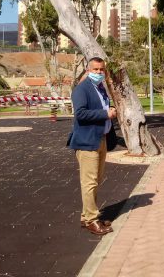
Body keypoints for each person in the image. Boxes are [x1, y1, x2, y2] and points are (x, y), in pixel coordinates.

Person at [68, 56, 117, 236]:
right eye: (95, 69)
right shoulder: (82, 89)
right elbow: (80, 114)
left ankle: (86, 215)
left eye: (101, 69)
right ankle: (91, 220)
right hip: (87, 141)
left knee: (96, 180)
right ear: (88, 70)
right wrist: (105, 114)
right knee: (89, 182)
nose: (99, 72)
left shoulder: (100, 88)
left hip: (100, 139)